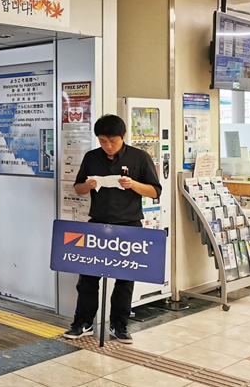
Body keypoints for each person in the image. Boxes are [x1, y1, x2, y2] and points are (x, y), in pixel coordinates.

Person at [63, 114, 161, 344]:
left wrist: (133, 185)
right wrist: (86, 186)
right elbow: (78, 188)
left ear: (123, 137)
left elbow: (155, 191)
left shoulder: (140, 157)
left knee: (125, 279)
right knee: (87, 278)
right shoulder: (91, 157)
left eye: (112, 141)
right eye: (103, 141)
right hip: (97, 225)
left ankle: (120, 325)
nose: (107, 146)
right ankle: (83, 322)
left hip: (129, 226)